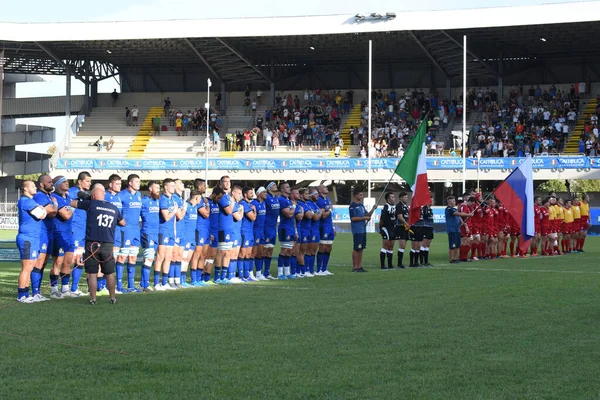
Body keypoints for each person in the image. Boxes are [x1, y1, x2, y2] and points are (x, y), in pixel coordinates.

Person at [75, 183, 125, 305]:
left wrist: (84, 198)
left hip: (92, 243)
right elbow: (123, 223)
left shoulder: (91, 204)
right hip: (107, 244)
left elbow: (72, 203)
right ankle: (112, 297)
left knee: (92, 273)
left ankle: (93, 299)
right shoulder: (113, 207)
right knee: (109, 273)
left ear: (93, 196)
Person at [16, 180, 48, 303]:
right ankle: (21, 295)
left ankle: (26, 293)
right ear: (25, 189)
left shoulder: (31, 201)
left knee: (30, 267)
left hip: (33, 238)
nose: (35, 187)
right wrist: (43, 210)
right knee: (27, 267)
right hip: (27, 238)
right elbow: (41, 215)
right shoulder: (26, 201)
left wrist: (41, 209)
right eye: (32, 186)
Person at [31, 174, 58, 301]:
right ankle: (35, 292)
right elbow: (52, 213)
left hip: (49, 233)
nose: (52, 183)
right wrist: (55, 204)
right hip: (42, 233)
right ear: (41, 184)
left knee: (44, 263)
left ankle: (38, 292)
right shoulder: (40, 196)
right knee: (39, 262)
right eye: (49, 182)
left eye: (52, 181)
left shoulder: (47, 196)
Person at [67, 171, 92, 296]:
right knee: (70, 259)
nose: (89, 183)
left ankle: (74, 289)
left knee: (80, 259)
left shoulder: (87, 195)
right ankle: (63, 288)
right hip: (74, 229)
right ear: (80, 181)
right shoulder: (72, 193)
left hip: (83, 231)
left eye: (90, 181)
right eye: (87, 181)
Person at [51, 175, 75, 299]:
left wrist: (70, 208)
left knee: (68, 261)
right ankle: (54, 289)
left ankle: (65, 288)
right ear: (57, 185)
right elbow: (65, 215)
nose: (67, 183)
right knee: (57, 262)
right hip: (58, 234)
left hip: (69, 234)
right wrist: (72, 208)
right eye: (64, 182)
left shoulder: (68, 197)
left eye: (67, 181)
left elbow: (68, 211)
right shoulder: (55, 197)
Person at [118, 174, 143, 293]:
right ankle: (119, 285)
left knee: (133, 257)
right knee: (122, 257)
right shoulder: (122, 195)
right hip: (125, 230)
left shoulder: (138, 195)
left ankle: (131, 285)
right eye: (137, 182)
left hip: (136, 230)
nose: (139, 184)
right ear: (130, 183)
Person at [154, 179, 178, 291]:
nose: (174, 187)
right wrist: (175, 210)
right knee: (160, 257)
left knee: (168, 257)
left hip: (170, 232)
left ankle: (164, 282)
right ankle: (155, 283)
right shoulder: (163, 199)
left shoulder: (172, 199)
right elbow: (167, 217)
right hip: (163, 231)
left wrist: (174, 231)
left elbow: (173, 220)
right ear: (166, 187)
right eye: (172, 186)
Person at [103, 174, 123, 295]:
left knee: (113, 259)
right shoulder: (105, 196)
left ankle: (109, 286)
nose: (120, 186)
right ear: (110, 184)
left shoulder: (119, 197)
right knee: (105, 259)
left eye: (121, 184)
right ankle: (100, 286)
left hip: (117, 232)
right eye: (117, 183)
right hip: (107, 232)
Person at [349, 188, 376, 272]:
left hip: (363, 230)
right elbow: (353, 218)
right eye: (360, 195)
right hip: (357, 230)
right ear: (355, 195)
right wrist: (364, 218)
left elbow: (367, 215)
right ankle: (355, 267)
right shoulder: (352, 206)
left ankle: (359, 266)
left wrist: (373, 209)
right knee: (356, 248)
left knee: (361, 248)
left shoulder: (361, 206)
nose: (361, 196)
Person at [140, 181, 160, 292]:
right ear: (150, 189)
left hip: (156, 233)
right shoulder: (144, 201)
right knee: (149, 258)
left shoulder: (157, 201)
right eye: (156, 187)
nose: (158, 189)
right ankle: (145, 285)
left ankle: (143, 284)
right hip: (147, 232)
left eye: (159, 187)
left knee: (148, 259)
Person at [277, 182, 296, 279]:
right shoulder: (282, 200)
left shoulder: (289, 200)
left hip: (291, 228)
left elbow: (292, 217)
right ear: (282, 190)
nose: (289, 189)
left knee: (289, 251)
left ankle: (287, 272)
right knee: (284, 250)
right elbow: (288, 214)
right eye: (287, 187)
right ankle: (280, 273)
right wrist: (293, 207)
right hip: (284, 228)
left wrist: (295, 230)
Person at [445, 196, 472, 264]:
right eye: (453, 201)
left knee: (457, 245)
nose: (454, 202)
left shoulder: (454, 209)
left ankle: (455, 258)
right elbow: (458, 214)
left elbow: (458, 216)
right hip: (452, 229)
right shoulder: (449, 209)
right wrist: (468, 215)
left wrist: (463, 223)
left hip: (457, 229)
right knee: (452, 246)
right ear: (450, 202)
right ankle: (451, 259)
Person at [316, 184, 334, 275]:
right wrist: (330, 210)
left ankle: (324, 268)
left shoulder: (328, 199)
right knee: (322, 247)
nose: (326, 188)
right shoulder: (319, 200)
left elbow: (329, 215)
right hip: (323, 226)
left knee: (329, 247)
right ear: (319, 190)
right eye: (324, 187)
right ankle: (319, 269)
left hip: (329, 226)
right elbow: (323, 215)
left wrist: (333, 227)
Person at [263, 182, 279, 280]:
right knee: (264, 250)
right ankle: (261, 272)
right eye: (273, 185)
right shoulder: (267, 198)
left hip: (273, 227)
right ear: (269, 188)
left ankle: (267, 272)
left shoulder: (276, 198)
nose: (275, 186)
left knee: (271, 249)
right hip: (267, 227)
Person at [251, 186, 267, 280]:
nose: (266, 194)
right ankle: (249, 273)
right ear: (258, 194)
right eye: (264, 192)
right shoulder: (253, 203)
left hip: (261, 231)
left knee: (260, 253)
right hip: (255, 231)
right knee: (253, 253)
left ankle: (258, 273)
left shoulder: (264, 203)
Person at [378, 192, 397, 270]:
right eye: (392, 197)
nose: (394, 198)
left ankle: (390, 264)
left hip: (393, 228)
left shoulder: (394, 207)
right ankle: (382, 265)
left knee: (391, 246)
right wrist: (381, 229)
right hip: (386, 228)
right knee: (385, 245)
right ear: (388, 199)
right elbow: (382, 219)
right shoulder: (386, 207)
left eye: (394, 197)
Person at [394, 192, 411, 268]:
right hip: (400, 227)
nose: (406, 198)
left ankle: (400, 263)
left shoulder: (406, 207)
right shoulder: (399, 206)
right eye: (405, 197)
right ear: (400, 198)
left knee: (403, 246)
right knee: (402, 245)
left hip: (405, 228)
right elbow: (400, 217)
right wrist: (406, 223)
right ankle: (399, 263)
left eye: (407, 197)